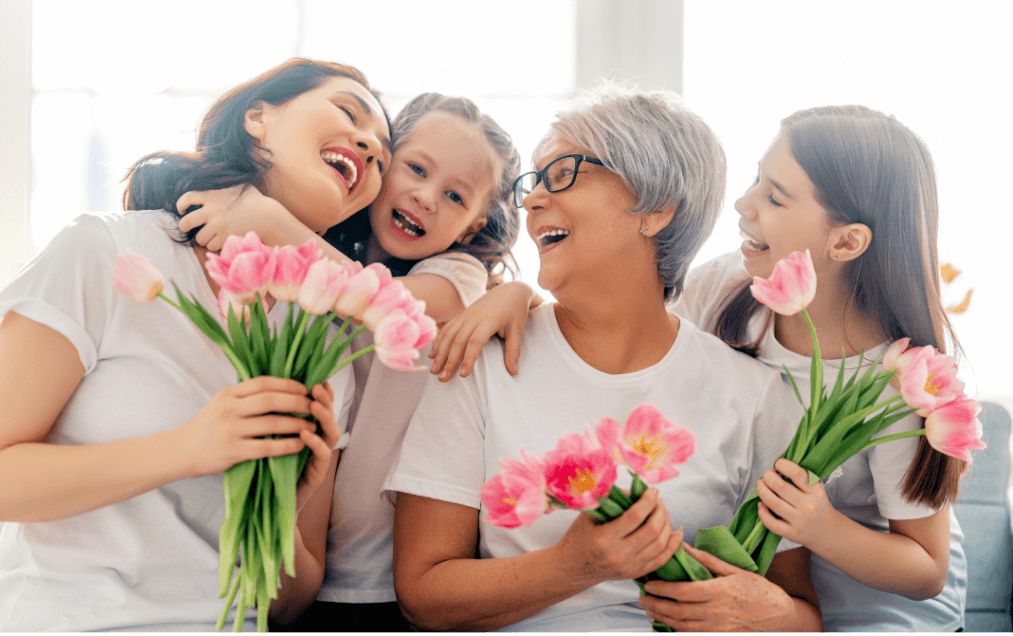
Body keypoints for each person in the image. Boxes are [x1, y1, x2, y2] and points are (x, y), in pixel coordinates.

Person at [430, 105, 967, 632]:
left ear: (847, 240)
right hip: (792, 577)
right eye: (757, 180)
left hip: (885, 601)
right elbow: (623, 320)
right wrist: (516, 294)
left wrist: (819, 526)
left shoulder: (902, 383)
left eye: (775, 196)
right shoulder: (736, 287)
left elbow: (926, 570)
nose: (743, 202)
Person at [385, 85, 821, 632]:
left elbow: (803, 615)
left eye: (563, 173)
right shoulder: (481, 362)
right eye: (533, 181)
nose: (531, 199)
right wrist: (572, 567)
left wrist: (769, 614)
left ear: (656, 208)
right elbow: (422, 593)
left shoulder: (755, 397)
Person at [0, 57, 390, 631]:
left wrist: (283, 497)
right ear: (259, 117)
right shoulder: (105, 252)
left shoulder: (322, 347)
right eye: (349, 111)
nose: (370, 147)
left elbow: (292, 598)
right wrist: (189, 447)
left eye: (381, 152)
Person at [175, 92, 521, 632]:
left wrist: (266, 219)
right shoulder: (329, 249)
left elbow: (380, 303)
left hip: (382, 579)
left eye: (455, 196)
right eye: (415, 169)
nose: (427, 197)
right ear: (380, 167)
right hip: (299, 561)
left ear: (471, 229)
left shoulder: (458, 276)